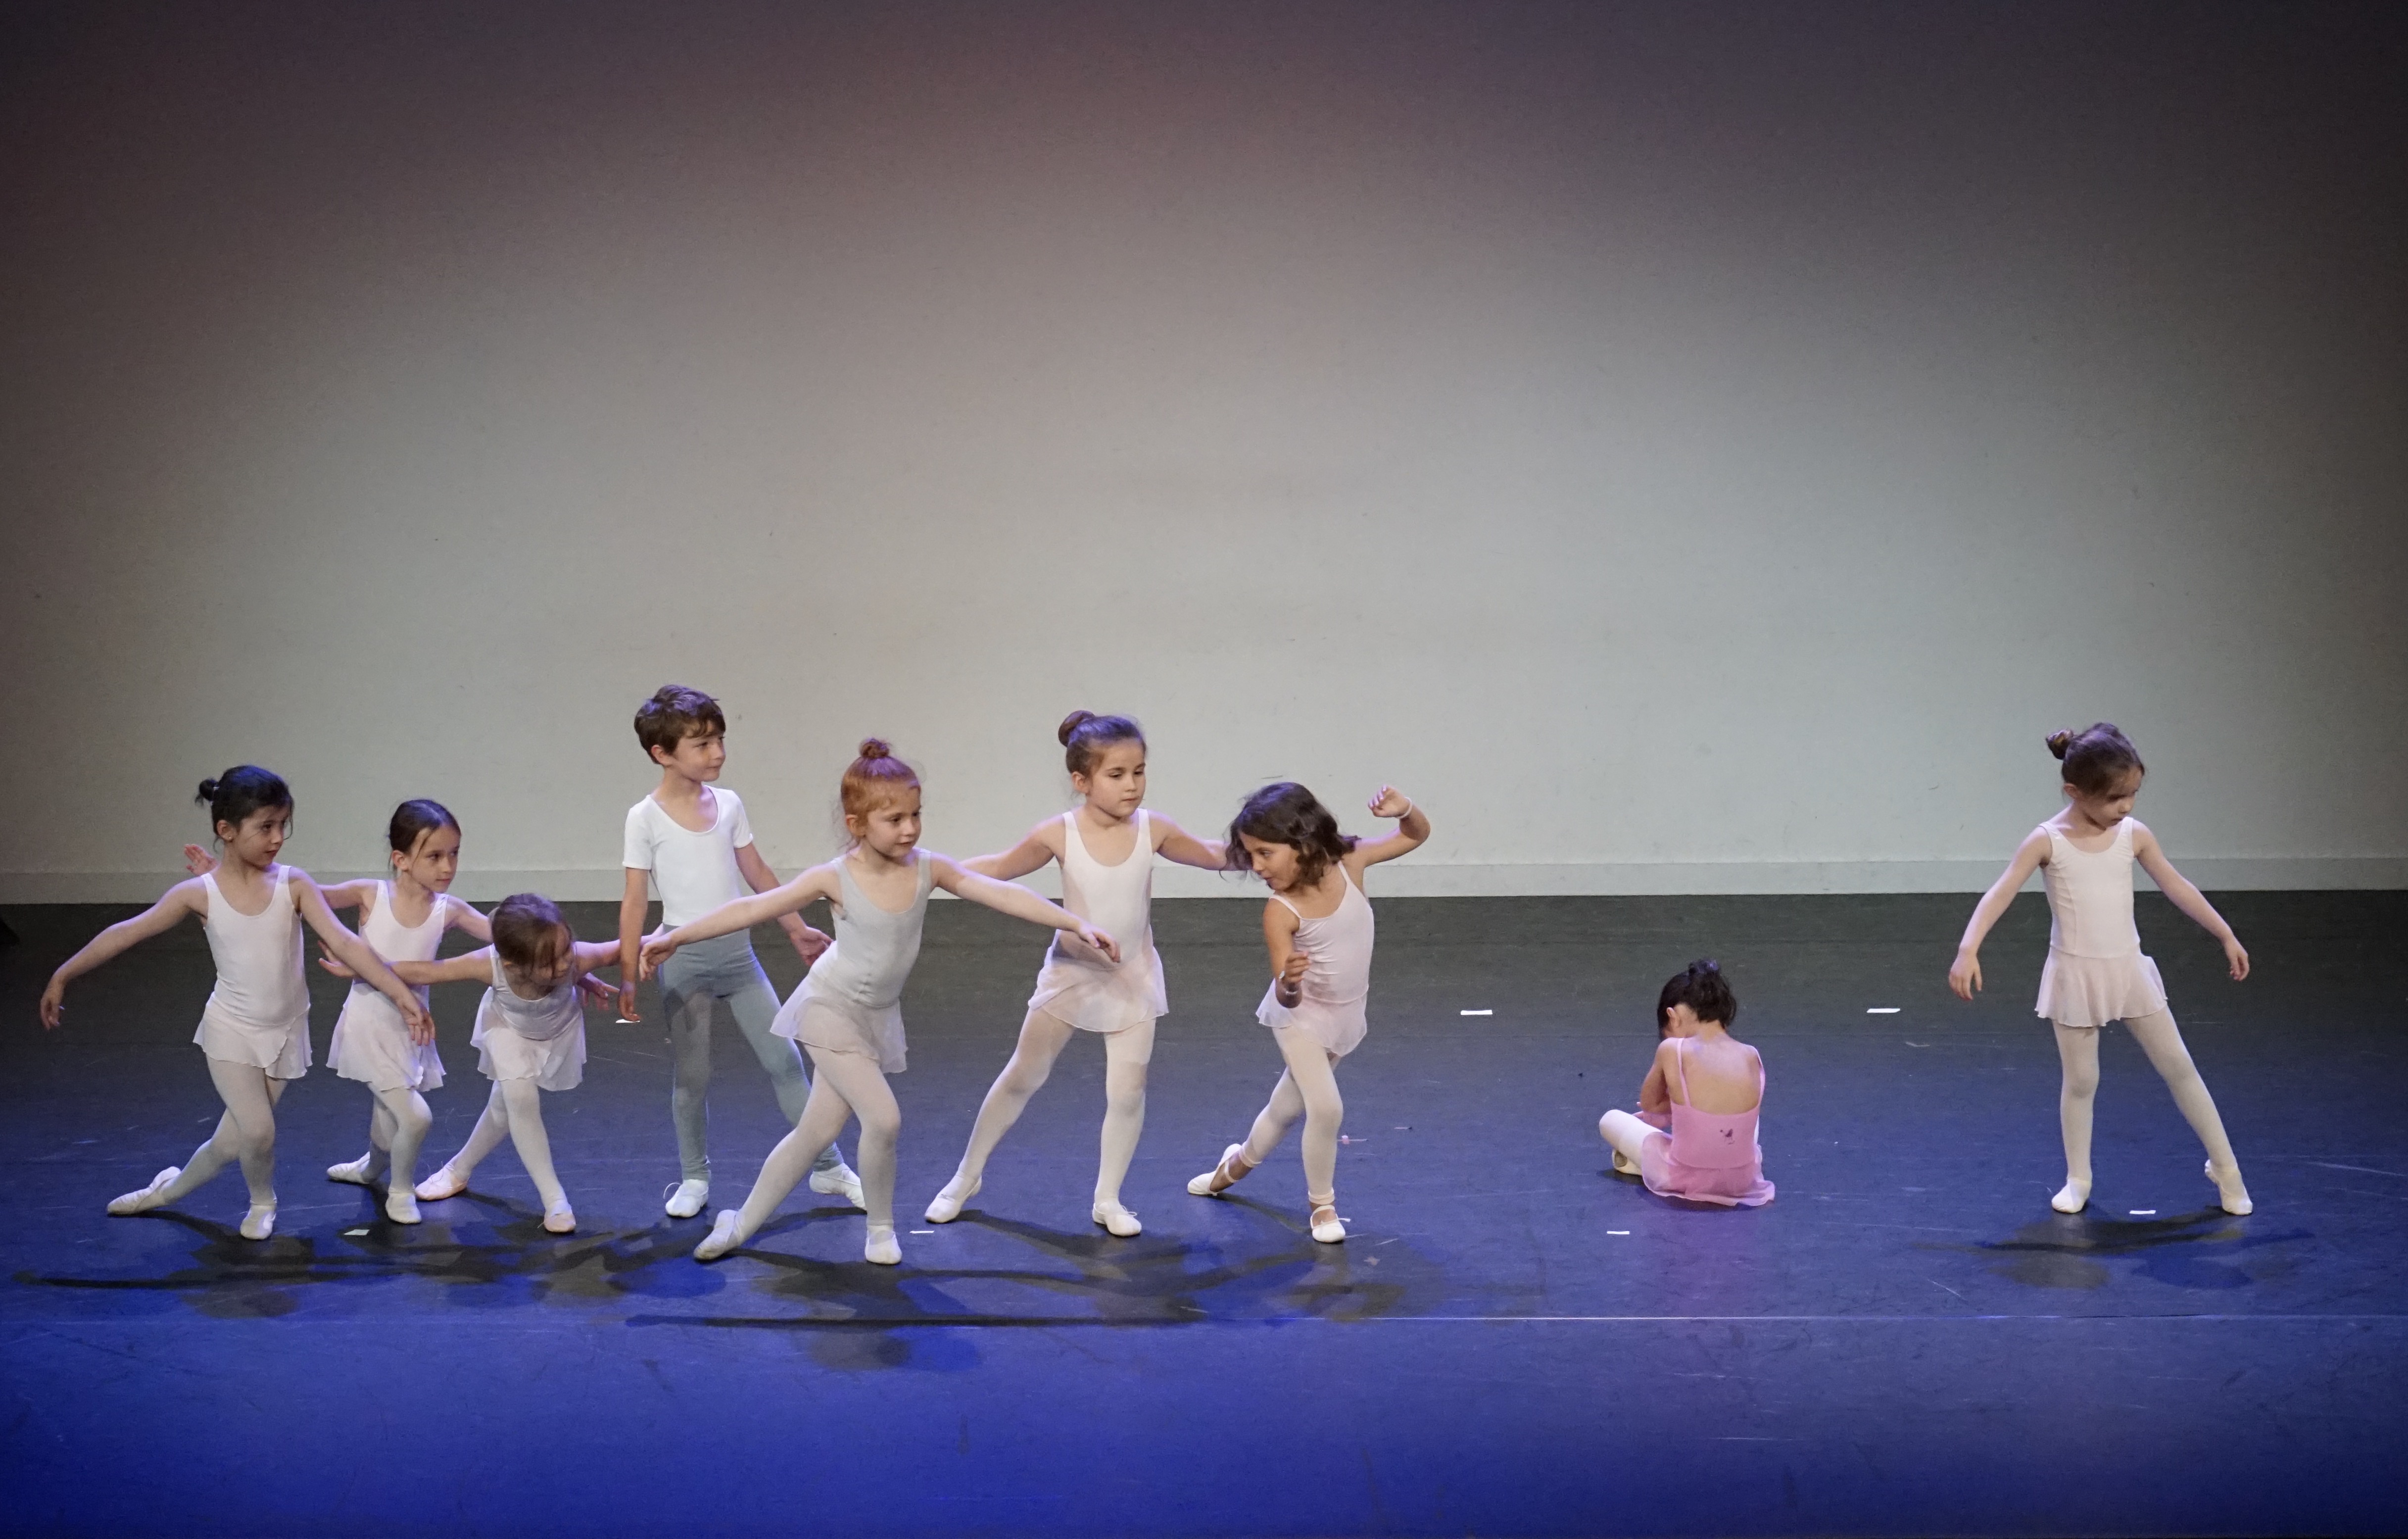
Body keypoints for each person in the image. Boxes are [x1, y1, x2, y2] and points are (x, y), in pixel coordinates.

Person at [644, 739, 1120, 1267]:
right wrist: (677, 937)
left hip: (875, 1015)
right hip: (830, 1008)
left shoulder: (928, 868)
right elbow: (756, 906)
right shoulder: (835, 876)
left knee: (816, 1131)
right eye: (894, 819)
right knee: (884, 1118)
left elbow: (1000, 893)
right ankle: (881, 1228)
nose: (910, 828)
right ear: (857, 822)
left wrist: (1073, 920)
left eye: (915, 815)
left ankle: (741, 1223)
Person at [41, 767, 430, 1240]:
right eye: (265, 827)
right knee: (259, 1132)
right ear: (226, 830)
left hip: (285, 1030)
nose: (277, 838)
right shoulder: (198, 894)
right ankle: (262, 1200)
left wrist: (402, 994)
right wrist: (64, 973)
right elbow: (127, 932)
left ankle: (165, 1191)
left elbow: (348, 944)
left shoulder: (294, 885)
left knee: (230, 1142)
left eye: (283, 825)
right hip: (231, 1030)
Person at [926, 710, 1227, 1237]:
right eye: (1117, 774)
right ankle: (965, 1176)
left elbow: (1213, 855)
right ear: (1082, 781)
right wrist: (925, 869)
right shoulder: (1058, 833)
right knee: (1023, 1075)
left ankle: (1108, 1198)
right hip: (1072, 973)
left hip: (1132, 975)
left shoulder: (1154, 829)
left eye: (1139, 771)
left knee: (1128, 1090)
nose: (1131, 784)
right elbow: (996, 868)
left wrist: (1290, 852)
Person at [1950, 723, 2253, 1215]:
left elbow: (2177, 886)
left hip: (2128, 970)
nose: (2127, 806)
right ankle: (2078, 1177)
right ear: (2075, 791)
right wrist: (1969, 948)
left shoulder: (2133, 836)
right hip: (2077, 977)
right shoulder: (2047, 840)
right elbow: (2001, 891)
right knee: (2082, 1081)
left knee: (2179, 1066)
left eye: (2133, 794)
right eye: (2116, 798)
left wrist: (2225, 933)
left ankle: (2227, 1169)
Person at [619, 684, 858, 1219]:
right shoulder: (645, 818)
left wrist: (795, 928)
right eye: (702, 743)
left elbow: (759, 875)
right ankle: (694, 1175)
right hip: (682, 961)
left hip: (738, 958)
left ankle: (827, 1166)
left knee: (784, 1058)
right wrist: (628, 973)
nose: (718, 752)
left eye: (719, 739)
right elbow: (635, 899)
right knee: (694, 1075)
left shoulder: (728, 805)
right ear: (663, 754)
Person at [1187, 781, 1428, 1243]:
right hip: (1301, 1019)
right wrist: (1291, 982)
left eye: (1264, 853)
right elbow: (1286, 996)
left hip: (1345, 1013)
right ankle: (1323, 1206)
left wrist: (1406, 809)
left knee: (1284, 1109)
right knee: (1326, 1107)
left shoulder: (1351, 860)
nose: (1255, 866)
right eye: (1249, 854)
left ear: (1301, 843)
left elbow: (1415, 835)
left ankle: (1232, 1168)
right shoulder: (1280, 911)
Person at [1598, 960, 1775, 1207]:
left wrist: (1668, 1112)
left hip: (1683, 1175)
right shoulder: (1751, 1055)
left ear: (1673, 1017)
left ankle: (1647, 1169)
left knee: (1610, 1120)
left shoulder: (1673, 1049)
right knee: (1747, 1123)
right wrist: (1680, 1111)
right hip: (1741, 1181)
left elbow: (1649, 1104)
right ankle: (1657, 1169)